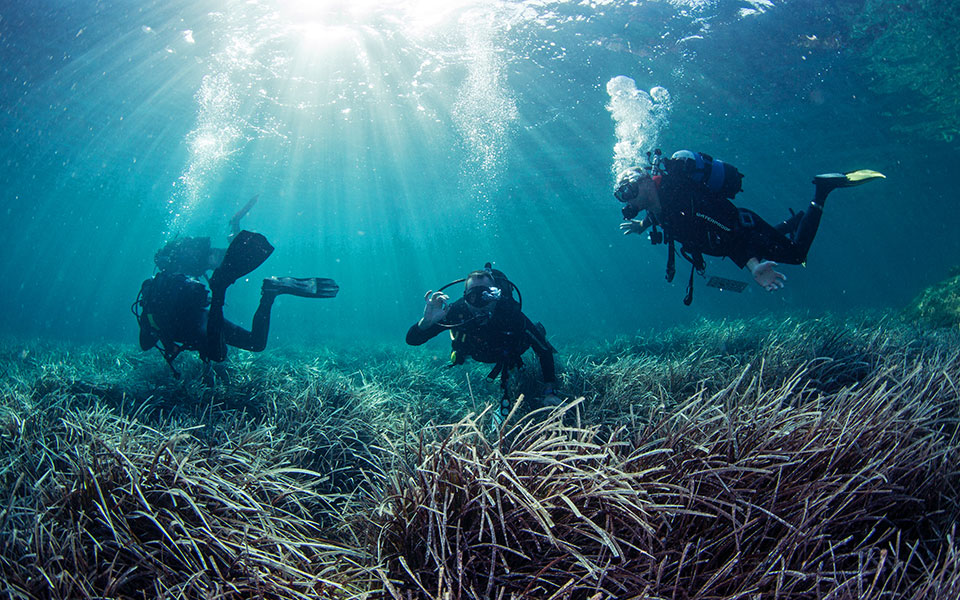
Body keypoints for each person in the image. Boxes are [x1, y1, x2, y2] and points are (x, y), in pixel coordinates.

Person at [614, 149, 885, 304]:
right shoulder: (660, 205)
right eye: (621, 195)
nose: (628, 200)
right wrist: (643, 224)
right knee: (768, 244)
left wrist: (754, 267)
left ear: (648, 180)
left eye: (629, 190)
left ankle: (822, 191)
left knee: (796, 255)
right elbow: (664, 215)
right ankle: (792, 223)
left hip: (742, 229)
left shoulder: (683, 201)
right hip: (737, 232)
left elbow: (731, 239)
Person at [134, 230, 339, 379]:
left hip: (196, 321)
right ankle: (269, 290)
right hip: (197, 318)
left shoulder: (152, 297)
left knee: (220, 354)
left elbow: (145, 344)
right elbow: (147, 341)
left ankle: (224, 290)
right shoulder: (160, 292)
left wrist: (169, 342)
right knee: (254, 344)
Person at [406, 264, 561, 423]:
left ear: (497, 295)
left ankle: (538, 329)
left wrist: (549, 391)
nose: (480, 304)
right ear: (465, 297)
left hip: (511, 349)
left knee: (534, 339)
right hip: (477, 351)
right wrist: (425, 324)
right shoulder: (457, 311)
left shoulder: (510, 313)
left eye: (487, 295)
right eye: (473, 296)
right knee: (460, 350)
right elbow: (412, 340)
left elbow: (543, 351)